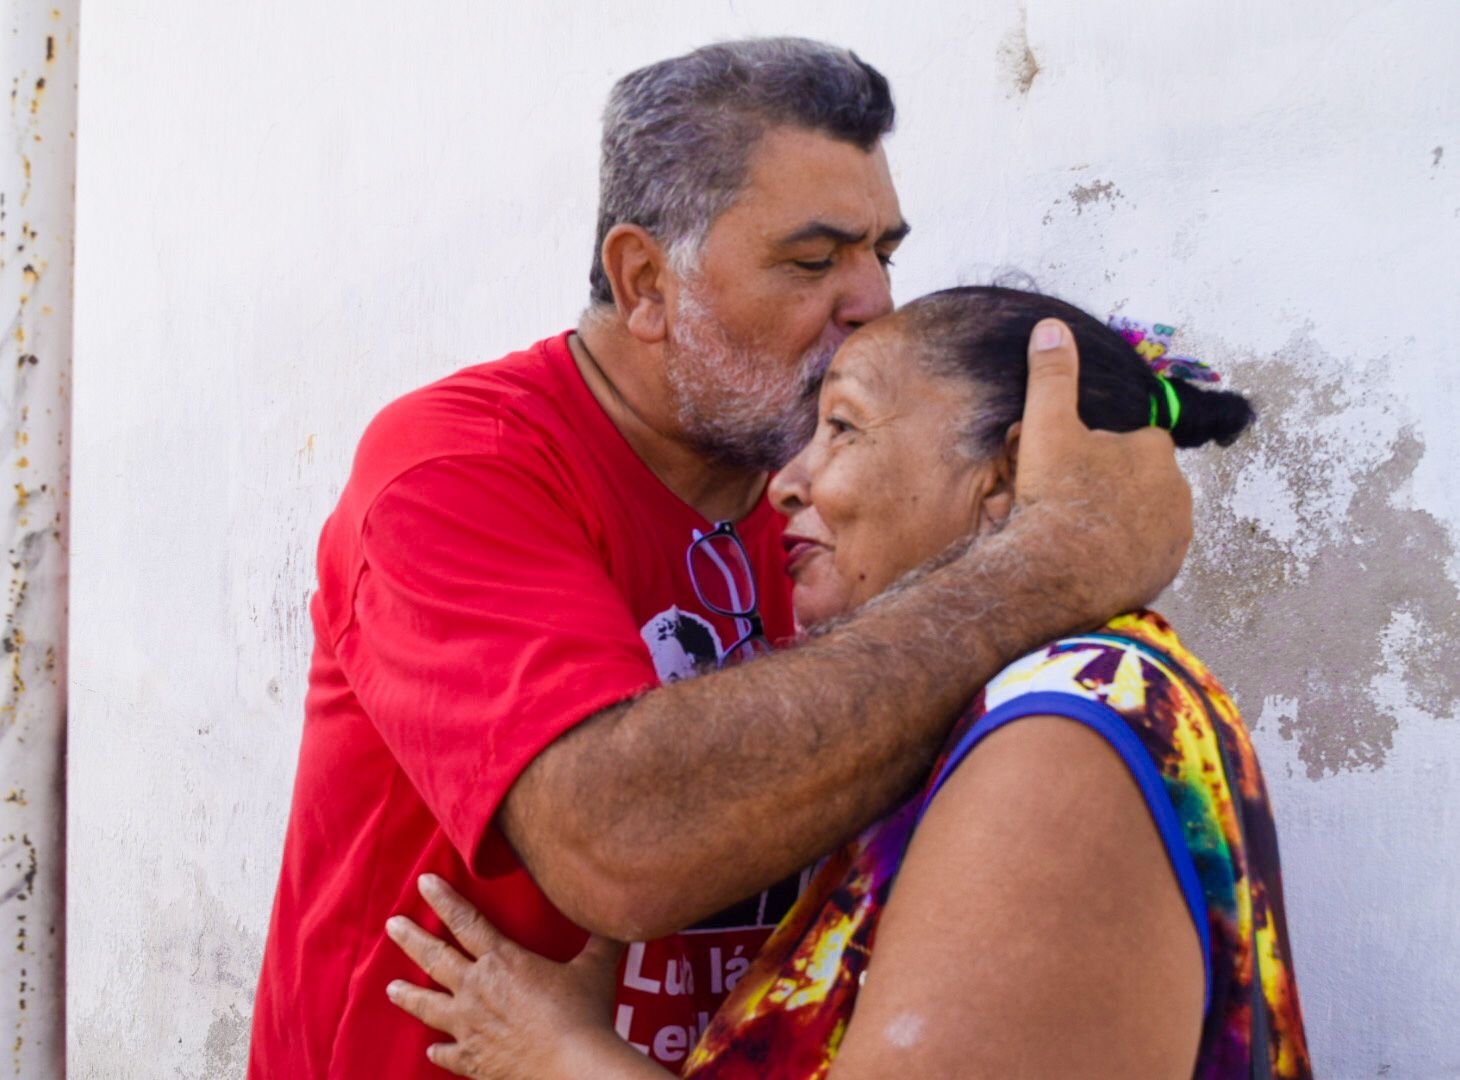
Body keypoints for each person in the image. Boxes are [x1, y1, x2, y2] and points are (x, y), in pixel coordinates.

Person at [247, 39, 1192, 1078]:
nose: (870, 299)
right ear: (644, 281)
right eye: (812, 259)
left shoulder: (841, 510)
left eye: (882, 250)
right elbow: (622, 847)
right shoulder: (455, 468)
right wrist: (1053, 561)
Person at [383, 287, 1313, 1079]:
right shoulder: (989, 707)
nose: (786, 481)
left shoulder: (1061, 739)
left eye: (841, 427)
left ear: (1005, 476)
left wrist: (564, 1056)